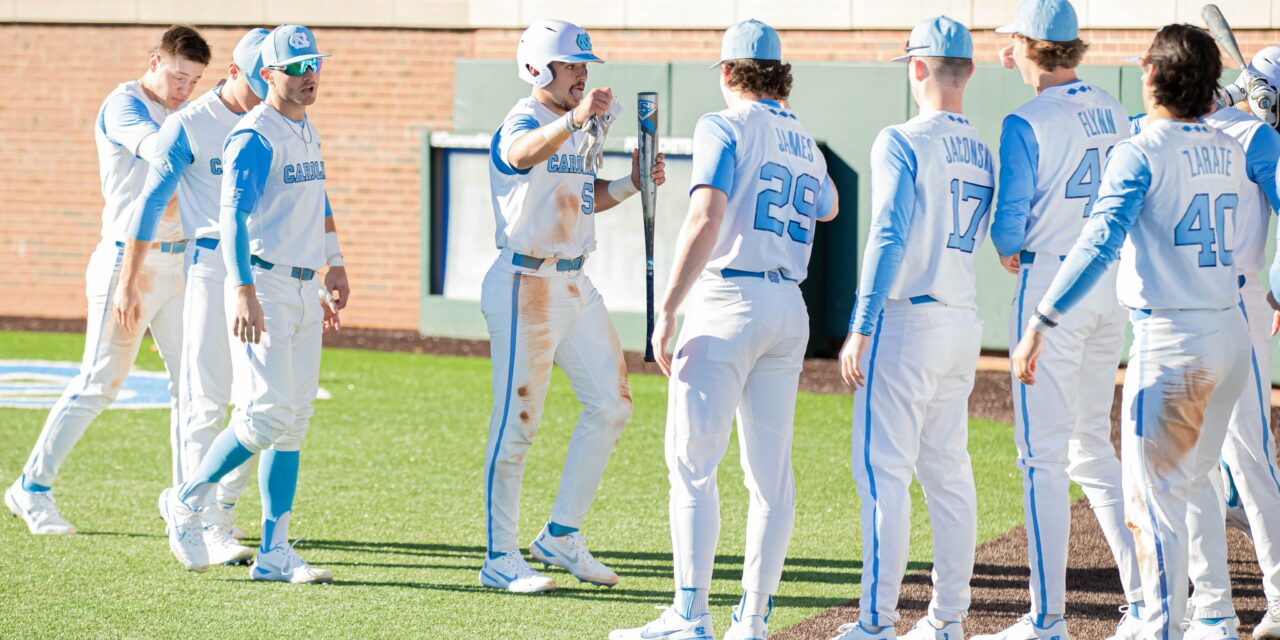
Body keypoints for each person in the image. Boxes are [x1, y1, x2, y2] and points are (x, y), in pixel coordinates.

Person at [1012, 24, 1250, 640]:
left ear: (1151, 73)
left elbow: (1097, 243)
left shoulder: (1142, 149)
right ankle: (1217, 615)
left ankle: (1160, 627)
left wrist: (1042, 319)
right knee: (1194, 483)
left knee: (1154, 499)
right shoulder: (1232, 147)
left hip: (1173, 343)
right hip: (1230, 333)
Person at [611, 18, 837, 640]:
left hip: (727, 299)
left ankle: (691, 614)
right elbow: (830, 204)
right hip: (787, 308)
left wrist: (666, 308)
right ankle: (754, 618)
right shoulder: (803, 139)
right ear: (779, 75)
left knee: (692, 464)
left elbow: (705, 217)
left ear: (730, 71)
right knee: (769, 477)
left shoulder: (723, 123)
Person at [480, 18, 665, 593]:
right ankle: (499, 556)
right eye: (570, 66)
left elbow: (585, 198)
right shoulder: (526, 118)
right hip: (524, 282)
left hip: (575, 282)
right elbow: (517, 154)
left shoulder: (577, 127)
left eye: (584, 66)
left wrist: (633, 182)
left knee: (612, 404)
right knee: (518, 425)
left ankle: (560, 535)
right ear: (538, 67)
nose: (581, 75)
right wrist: (573, 121)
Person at [158, 24, 348, 583]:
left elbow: (316, 198)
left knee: (293, 421)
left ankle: (274, 552)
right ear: (268, 75)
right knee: (264, 416)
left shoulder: (304, 126)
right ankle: (189, 500)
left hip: (301, 285)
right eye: (297, 67)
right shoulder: (254, 135)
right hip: (263, 285)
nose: (310, 74)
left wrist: (334, 262)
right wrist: (241, 289)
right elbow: (231, 219)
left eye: (314, 64)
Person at [5, 25, 210, 535]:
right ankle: (30, 488)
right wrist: (210, 130)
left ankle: (187, 506)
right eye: (179, 76)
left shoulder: (186, 110)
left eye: (196, 81)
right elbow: (159, 152)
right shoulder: (124, 105)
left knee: (194, 387)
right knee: (100, 383)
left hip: (180, 263)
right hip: (127, 264)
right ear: (154, 61)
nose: (186, 89)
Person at [982, 1, 1144, 638]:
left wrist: (1004, 245)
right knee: (1089, 450)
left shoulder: (1025, 119)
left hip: (1052, 283)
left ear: (1028, 45)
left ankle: (1046, 618)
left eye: (1013, 43)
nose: (1007, 53)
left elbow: (1007, 230)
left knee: (1042, 459)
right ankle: (1145, 599)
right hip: (1108, 283)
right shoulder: (1110, 101)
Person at [828, 16, 988, 640]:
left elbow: (888, 234)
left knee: (883, 476)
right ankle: (947, 617)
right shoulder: (984, 146)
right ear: (968, 70)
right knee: (949, 473)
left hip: (907, 321)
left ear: (917, 67)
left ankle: (876, 621)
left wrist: (860, 325)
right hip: (960, 318)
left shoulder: (901, 137)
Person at [115, 28, 296, 568]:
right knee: (205, 398)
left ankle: (222, 511)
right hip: (212, 265)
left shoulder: (278, 119)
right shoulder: (190, 124)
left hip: (268, 271)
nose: (273, 87)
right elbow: (149, 203)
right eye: (263, 77)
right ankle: (198, 517)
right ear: (238, 72)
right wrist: (129, 280)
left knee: (259, 402)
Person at [1129, 45, 1280, 640]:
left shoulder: (1167, 130)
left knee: (1208, 464)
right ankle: (1212, 604)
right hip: (1233, 311)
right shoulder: (1255, 141)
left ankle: (1205, 607)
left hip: (1185, 312)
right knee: (1228, 461)